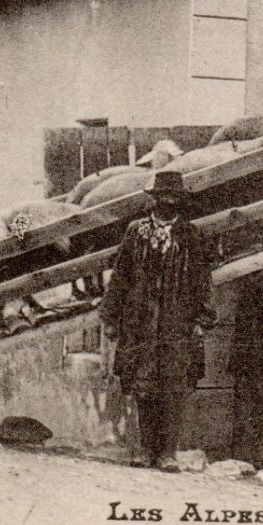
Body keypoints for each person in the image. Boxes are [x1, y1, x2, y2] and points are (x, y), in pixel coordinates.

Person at [99, 171, 215, 472]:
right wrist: (110, 317)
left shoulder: (191, 235)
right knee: (142, 385)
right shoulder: (135, 232)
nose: (168, 201)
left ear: (180, 201)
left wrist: (202, 318)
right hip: (140, 321)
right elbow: (121, 276)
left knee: (173, 387)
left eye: (174, 197)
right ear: (154, 198)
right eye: (163, 196)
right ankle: (143, 450)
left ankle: (167, 454)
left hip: (177, 321)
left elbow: (203, 279)